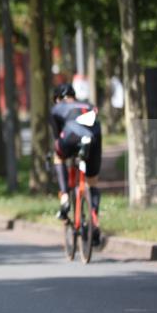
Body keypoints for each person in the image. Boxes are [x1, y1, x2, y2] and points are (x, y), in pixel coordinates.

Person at [50, 82, 103, 242]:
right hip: (94, 139)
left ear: (58, 99)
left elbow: (57, 135)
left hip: (70, 136)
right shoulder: (88, 104)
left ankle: (65, 197)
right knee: (92, 182)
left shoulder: (57, 108)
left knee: (58, 156)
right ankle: (94, 220)